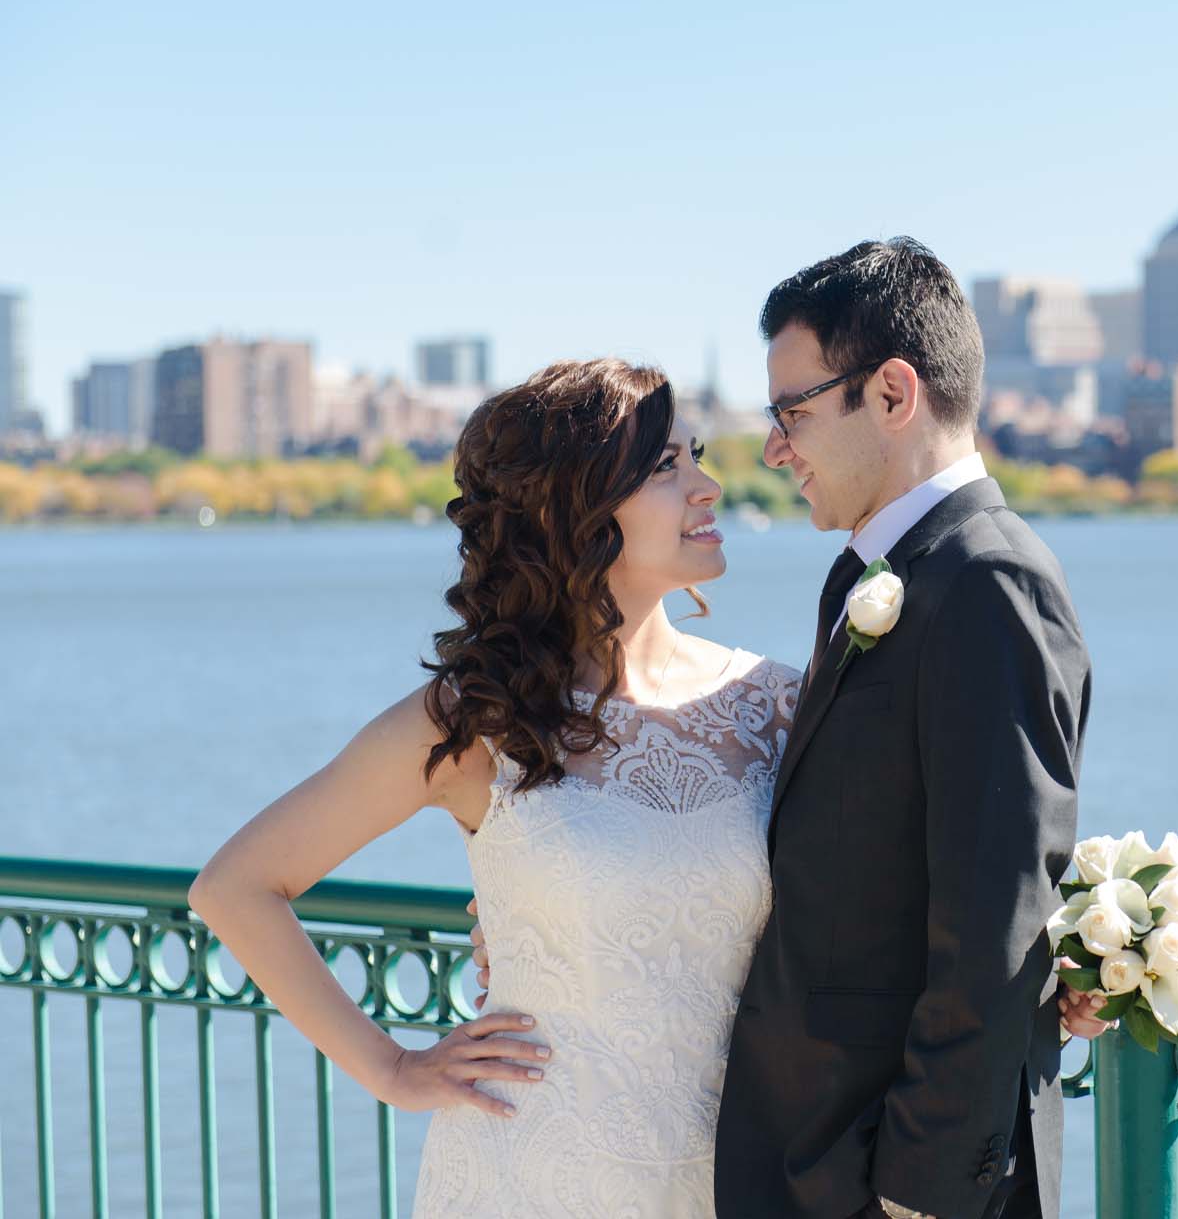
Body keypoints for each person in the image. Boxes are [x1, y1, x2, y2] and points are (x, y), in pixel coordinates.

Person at [192, 359, 800, 1216]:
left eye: (694, 454)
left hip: (734, 1177)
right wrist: (396, 1069)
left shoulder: (777, 704)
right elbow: (236, 887)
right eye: (666, 466)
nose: (709, 485)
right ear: (572, 509)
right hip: (530, 1172)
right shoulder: (477, 718)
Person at [712, 238, 1094, 1219]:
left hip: (899, 1188)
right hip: (815, 1161)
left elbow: (991, 928)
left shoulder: (986, 584)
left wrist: (918, 1195)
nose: (773, 448)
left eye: (792, 411)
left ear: (891, 394)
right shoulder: (872, 576)